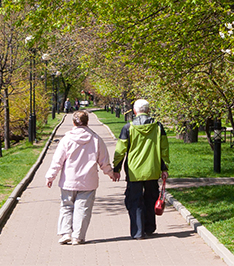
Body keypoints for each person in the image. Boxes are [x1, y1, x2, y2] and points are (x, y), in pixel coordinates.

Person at [46, 110, 114, 245]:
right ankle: (77, 236)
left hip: (68, 180)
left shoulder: (67, 139)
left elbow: (57, 160)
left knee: (66, 206)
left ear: (73, 122)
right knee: (83, 209)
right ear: (87, 121)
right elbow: (103, 160)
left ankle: (66, 233)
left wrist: (50, 176)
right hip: (88, 181)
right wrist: (110, 173)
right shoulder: (95, 139)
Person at [112, 98, 170, 240]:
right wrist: (164, 167)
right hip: (152, 169)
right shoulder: (158, 127)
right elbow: (164, 149)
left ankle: (138, 232)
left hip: (134, 172)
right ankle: (150, 227)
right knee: (151, 198)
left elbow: (120, 150)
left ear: (134, 111)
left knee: (134, 201)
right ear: (148, 110)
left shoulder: (128, 128)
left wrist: (116, 168)